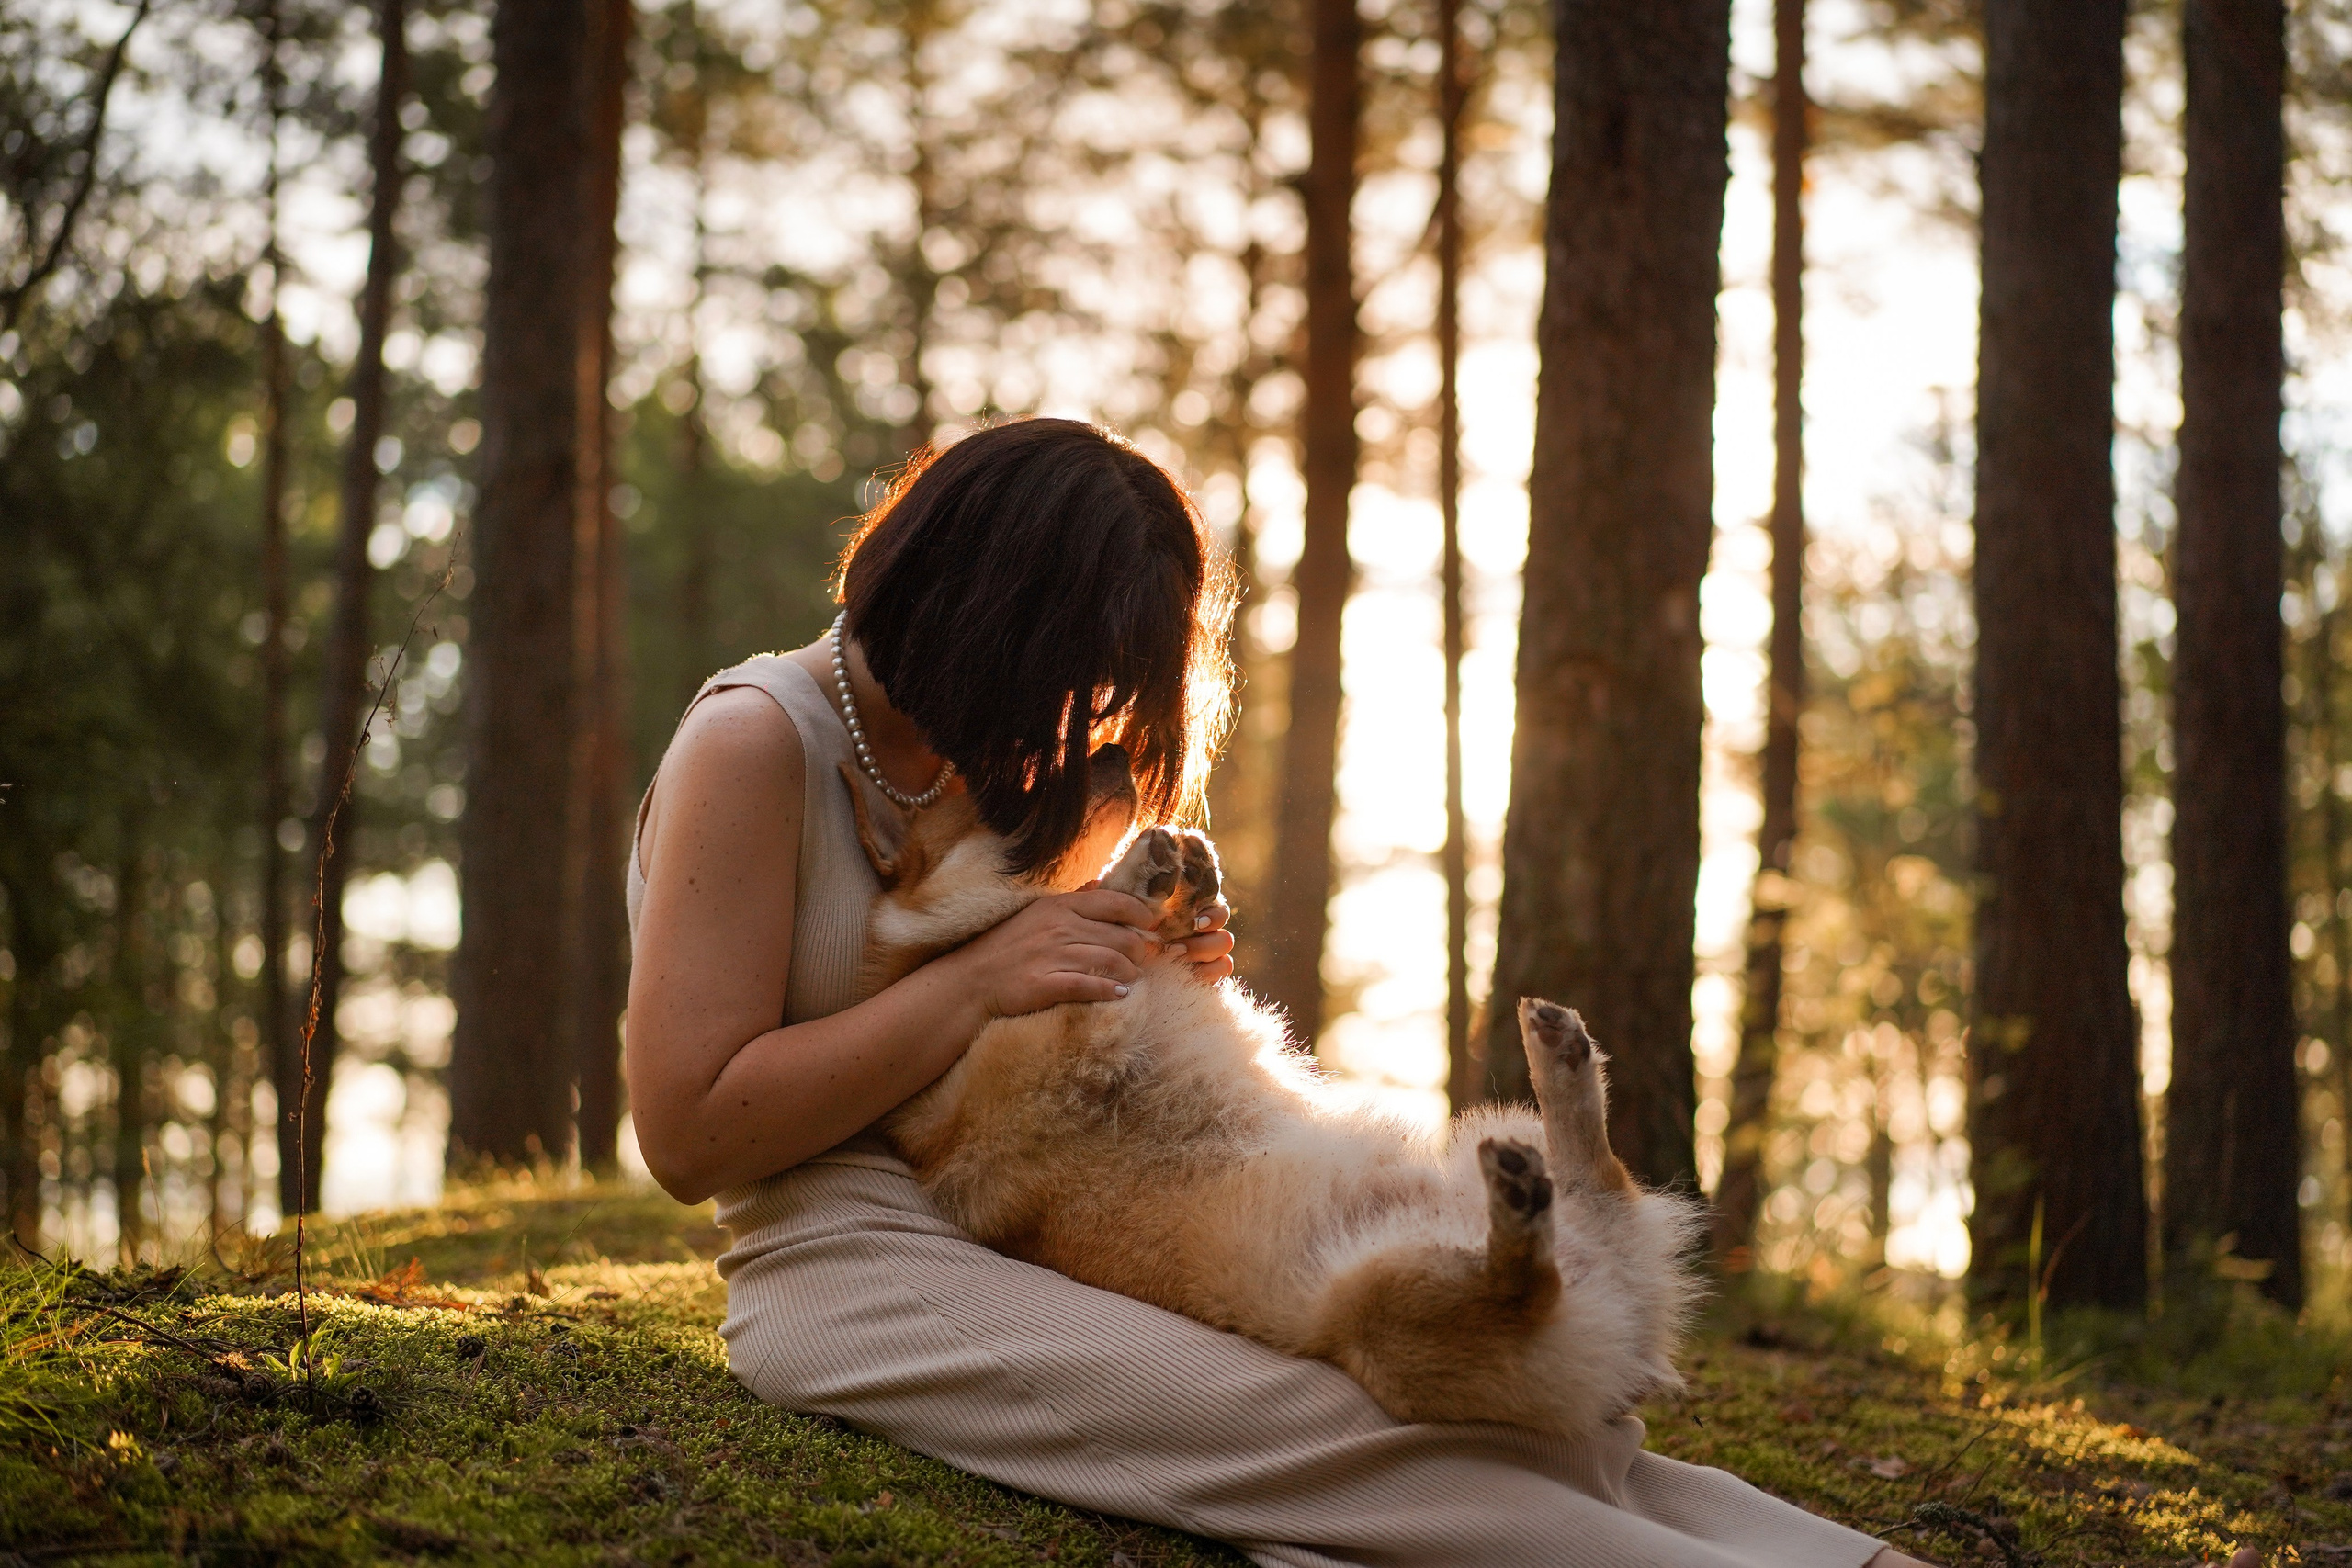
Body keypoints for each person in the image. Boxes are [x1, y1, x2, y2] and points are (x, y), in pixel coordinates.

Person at [624, 418, 1924, 1568]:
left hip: (1037, 1218)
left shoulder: (976, 751)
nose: (1081, 714)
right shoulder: (753, 742)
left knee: (1486, 1404)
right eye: (1072, 668)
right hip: (849, 1264)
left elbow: (1022, 1009)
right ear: (982, 608)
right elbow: (687, 1133)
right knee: (1339, 1429)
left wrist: (1146, 974)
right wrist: (978, 984)